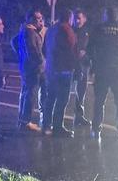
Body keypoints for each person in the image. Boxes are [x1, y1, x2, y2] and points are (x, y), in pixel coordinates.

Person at [87, 6, 118, 141]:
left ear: (105, 16)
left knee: (99, 101)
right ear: (116, 16)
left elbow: (89, 50)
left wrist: (93, 66)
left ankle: (96, 129)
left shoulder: (97, 29)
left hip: (102, 70)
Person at [42, 8, 77, 137]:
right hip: (64, 70)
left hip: (51, 69)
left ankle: (46, 125)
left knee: (50, 98)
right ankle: (57, 126)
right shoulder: (67, 29)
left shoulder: (50, 30)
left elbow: (44, 49)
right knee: (62, 99)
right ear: (69, 18)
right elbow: (72, 49)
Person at [11, 10, 45, 133]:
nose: (40, 20)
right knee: (30, 94)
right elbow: (34, 51)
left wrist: (21, 56)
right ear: (31, 19)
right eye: (38, 18)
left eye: (41, 18)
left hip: (26, 67)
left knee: (25, 93)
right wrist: (41, 62)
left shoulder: (24, 31)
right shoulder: (30, 32)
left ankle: (22, 120)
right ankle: (25, 122)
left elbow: (13, 41)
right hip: (33, 69)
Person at [73, 9, 92, 128]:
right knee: (63, 93)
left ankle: (79, 117)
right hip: (71, 64)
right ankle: (56, 119)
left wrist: (86, 53)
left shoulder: (87, 32)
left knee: (81, 92)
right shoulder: (70, 31)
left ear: (85, 19)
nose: (77, 20)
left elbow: (92, 47)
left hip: (83, 65)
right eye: (75, 18)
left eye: (79, 18)